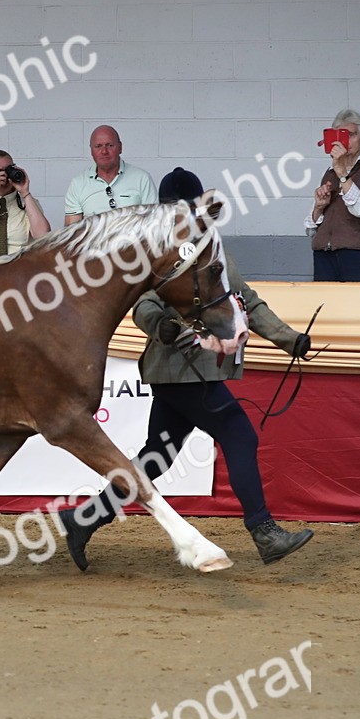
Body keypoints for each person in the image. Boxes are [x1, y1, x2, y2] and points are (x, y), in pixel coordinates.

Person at [58, 167, 315, 570]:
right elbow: (144, 304)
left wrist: (289, 339)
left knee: (156, 458)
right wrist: (161, 325)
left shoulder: (212, 249)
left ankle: (84, 520)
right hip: (182, 369)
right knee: (239, 434)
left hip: (187, 374)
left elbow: (244, 300)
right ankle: (263, 531)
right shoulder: (158, 251)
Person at [306, 108, 360, 282]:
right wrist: (318, 207)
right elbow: (310, 231)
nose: (343, 141)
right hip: (325, 255)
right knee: (325, 300)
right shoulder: (329, 172)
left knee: (358, 300)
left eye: (350, 135)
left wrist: (342, 174)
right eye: (339, 135)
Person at [63, 125, 158, 226]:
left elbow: (153, 224)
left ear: (120, 147)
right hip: (94, 237)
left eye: (110, 145)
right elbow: (73, 230)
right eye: (98, 146)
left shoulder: (142, 179)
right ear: (91, 151)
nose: (104, 151)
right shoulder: (78, 184)